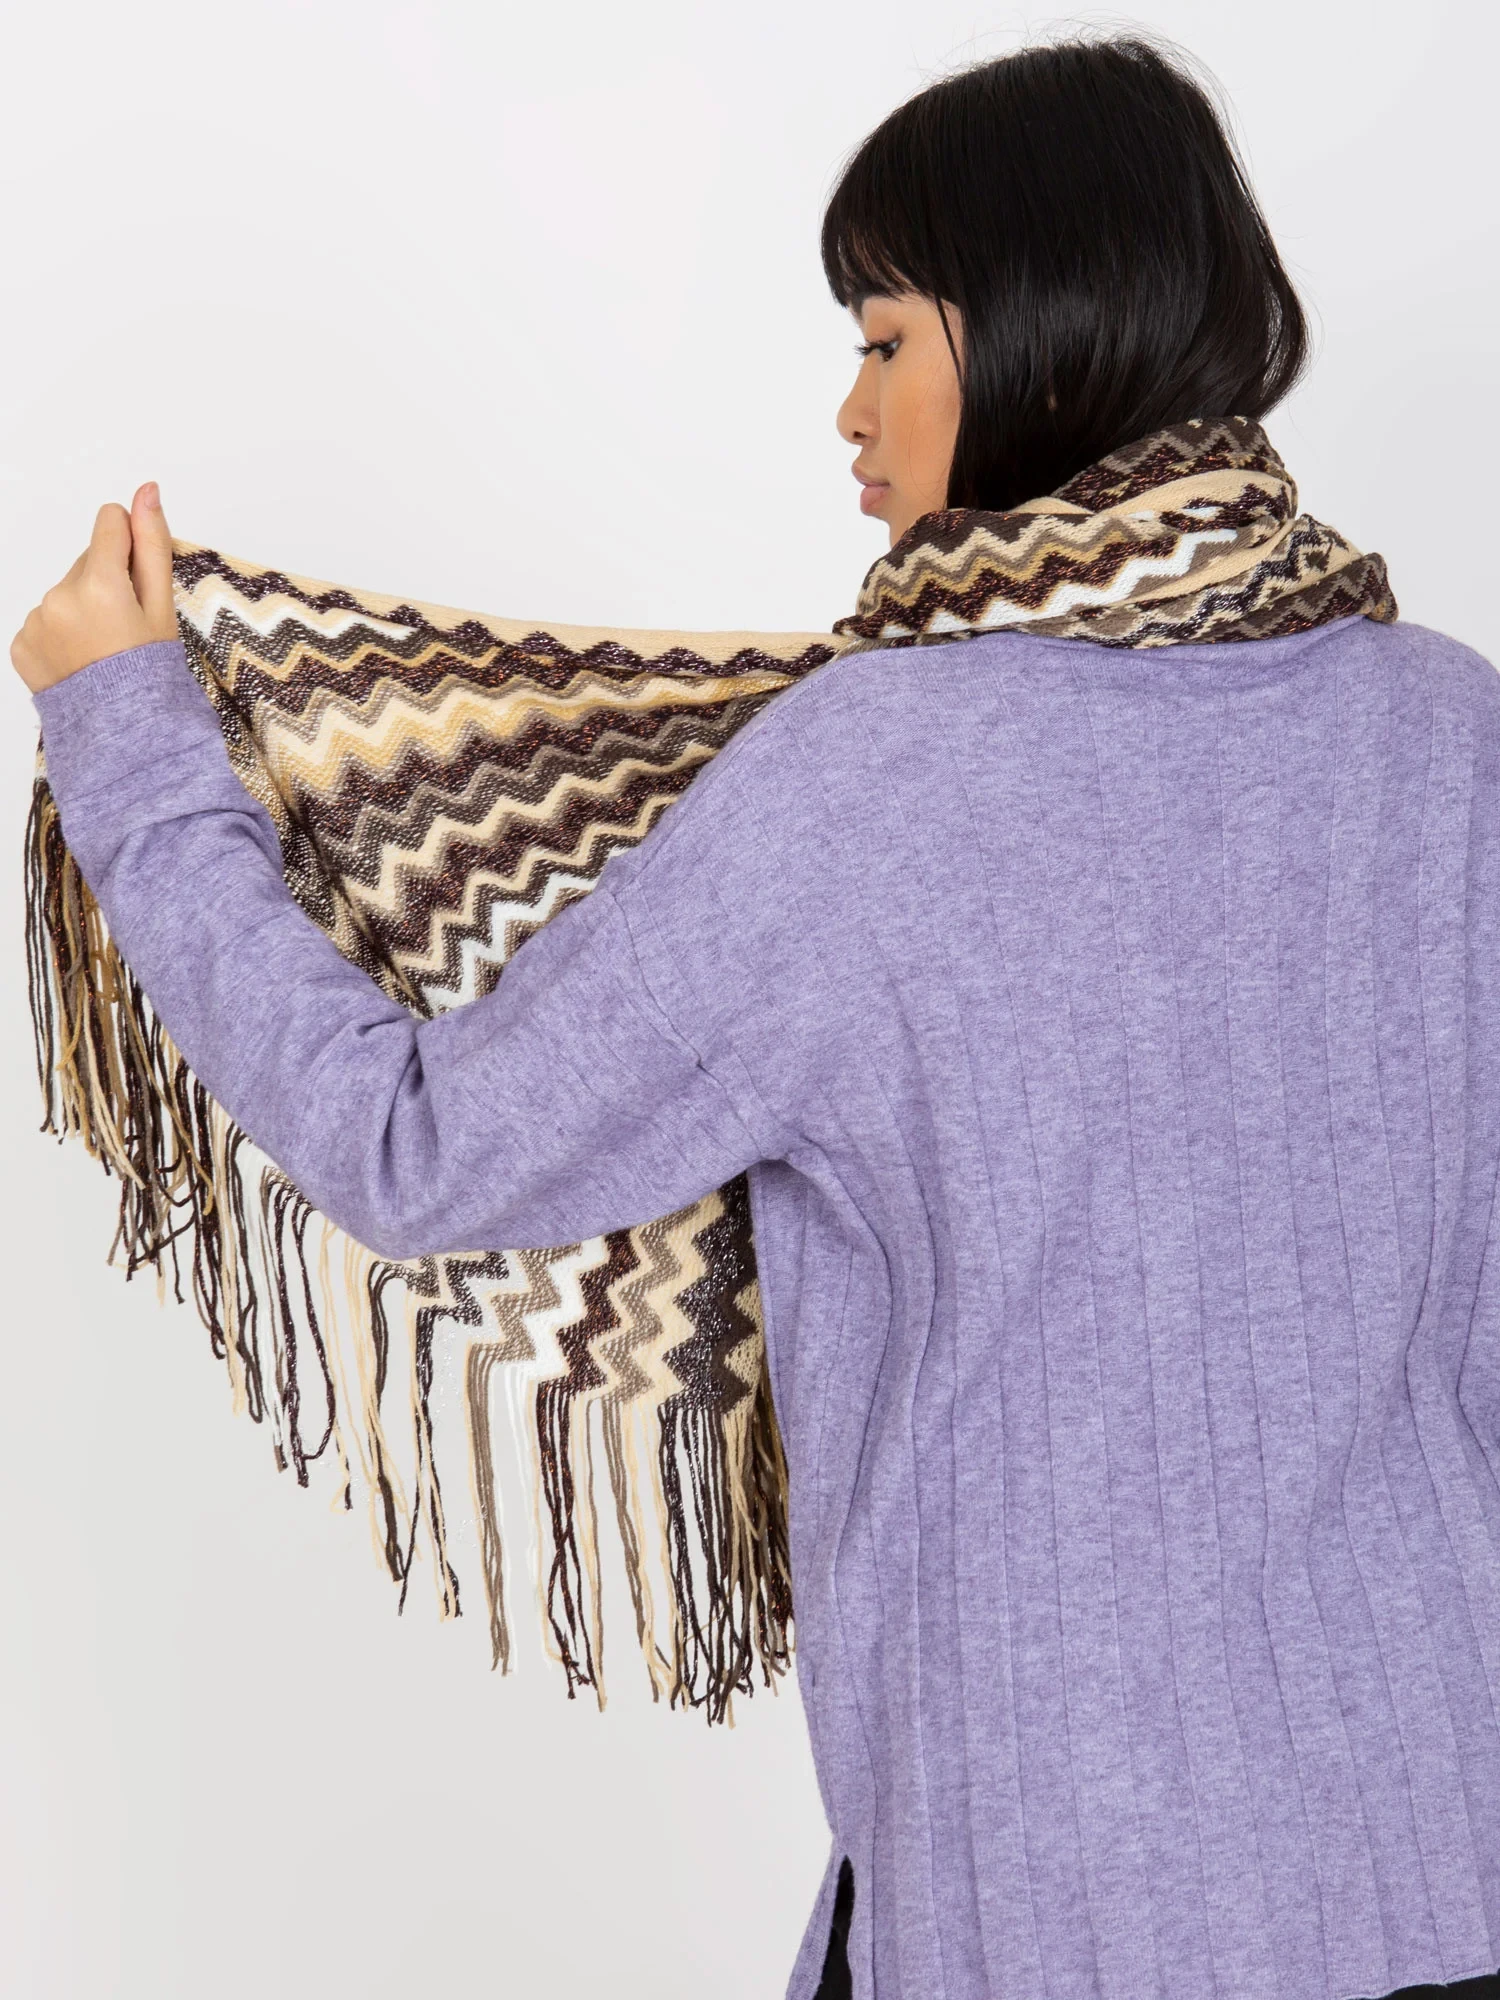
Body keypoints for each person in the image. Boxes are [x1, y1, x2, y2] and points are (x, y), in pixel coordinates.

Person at [13, 32, 1500, 2000]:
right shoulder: (1452, 737)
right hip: (1452, 1861)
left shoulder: (872, 778)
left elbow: (418, 1146)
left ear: (1049, 334)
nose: (850, 409)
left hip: (1057, 1910)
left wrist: (133, 740)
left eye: (887, 339)